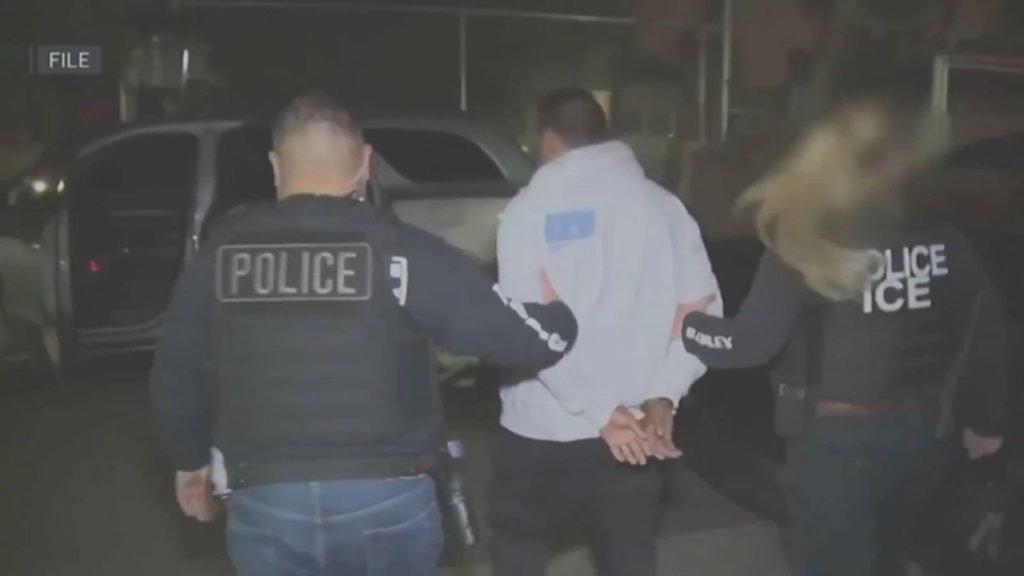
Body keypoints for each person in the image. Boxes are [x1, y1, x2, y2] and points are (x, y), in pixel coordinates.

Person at [148, 92, 579, 576]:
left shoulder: (220, 256)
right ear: (366, 163)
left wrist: (190, 462)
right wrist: (560, 316)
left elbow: (176, 374)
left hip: (266, 499)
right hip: (385, 501)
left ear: (275, 165)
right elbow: (521, 338)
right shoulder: (400, 252)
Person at [676, 99, 1009, 576]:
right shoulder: (943, 237)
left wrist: (689, 327)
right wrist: (986, 422)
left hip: (836, 446)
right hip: (923, 438)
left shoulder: (803, 240)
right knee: (887, 555)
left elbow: (750, 345)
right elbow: (984, 332)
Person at [490, 87, 722, 576]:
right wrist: (664, 394)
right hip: (637, 434)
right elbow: (700, 313)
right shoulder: (665, 208)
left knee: (520, 552)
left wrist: (599, 409)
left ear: (547, 138)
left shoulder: (528, 211)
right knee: (629, 559)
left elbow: (527, 328)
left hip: (543, 430)